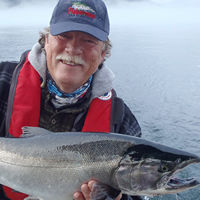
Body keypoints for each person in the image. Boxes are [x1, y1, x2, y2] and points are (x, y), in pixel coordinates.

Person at [0, 0, 142, 199]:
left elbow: (136, 193)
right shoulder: (2, 81)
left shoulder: (122, 122)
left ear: (103, 53)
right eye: (64, 36)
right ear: (46, 41)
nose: (73, 49)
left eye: (89, 40)